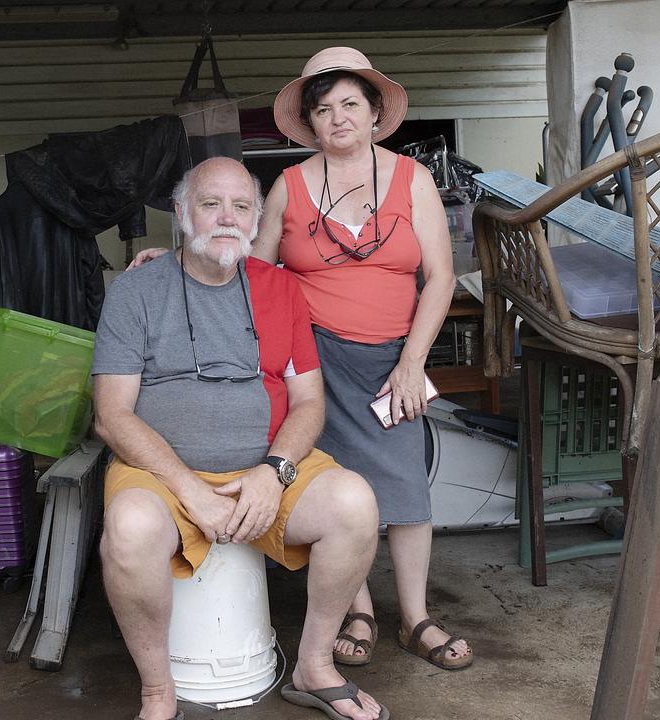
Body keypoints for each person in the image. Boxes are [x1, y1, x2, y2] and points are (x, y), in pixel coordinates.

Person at [132, 47, 471, 670]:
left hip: (392, 358)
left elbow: (441, 278)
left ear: (375, 114)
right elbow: (249, 268)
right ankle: (360, 609)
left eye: (350, 105)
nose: (337, 118)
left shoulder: (411, 179)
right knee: (336, 485)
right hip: (312, 363)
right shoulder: (289, 185)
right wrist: (176, 261)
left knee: (405, 489)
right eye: (323, 110)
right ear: (310, 124)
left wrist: (410, 361)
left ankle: (416, 616)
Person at [95, 156, 388, 720]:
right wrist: (188, 488)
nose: (226, 217)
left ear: (257, 220)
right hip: (160, 473)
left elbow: (309, 402)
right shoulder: (135, 292)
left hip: (263, 467)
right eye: (210, 204)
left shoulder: (281, 289)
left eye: (241, 205)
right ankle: (159, 693)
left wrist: (273, 471)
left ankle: (313, 665)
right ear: (181, 214)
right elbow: (112, 416)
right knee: (129, 529)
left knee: (354, 503)